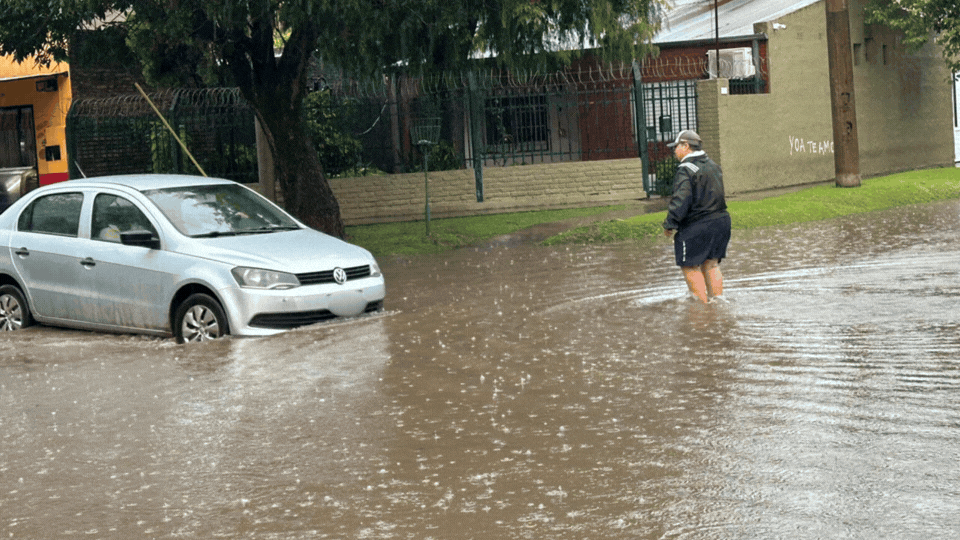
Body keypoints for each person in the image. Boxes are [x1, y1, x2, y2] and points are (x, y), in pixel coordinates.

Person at [661, 130, 731, 304]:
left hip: (697, 225)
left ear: (686, 146)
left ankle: (701, 310)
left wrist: (670, 223)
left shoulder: (686, 169)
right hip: (721, 221)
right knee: (711, 264)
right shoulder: (713, 165)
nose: (674, 151)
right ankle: (717, 305)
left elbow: (681, 198)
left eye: (676, 146)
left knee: (690, 265)